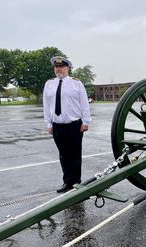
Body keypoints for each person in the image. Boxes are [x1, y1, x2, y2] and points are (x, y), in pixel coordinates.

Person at [43, 56, 91, 193]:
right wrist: (48, 124)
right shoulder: (49, 84)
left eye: (61, 67)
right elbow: (46, 106)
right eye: (56, 67)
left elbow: (84, 103)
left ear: (67, 68)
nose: (58, 69)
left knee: (75, 155)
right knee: (63, 155)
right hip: (57, 125)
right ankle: (66, 182)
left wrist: (86, 121)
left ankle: (76, 183)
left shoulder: (76, 83)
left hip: (74, 125)